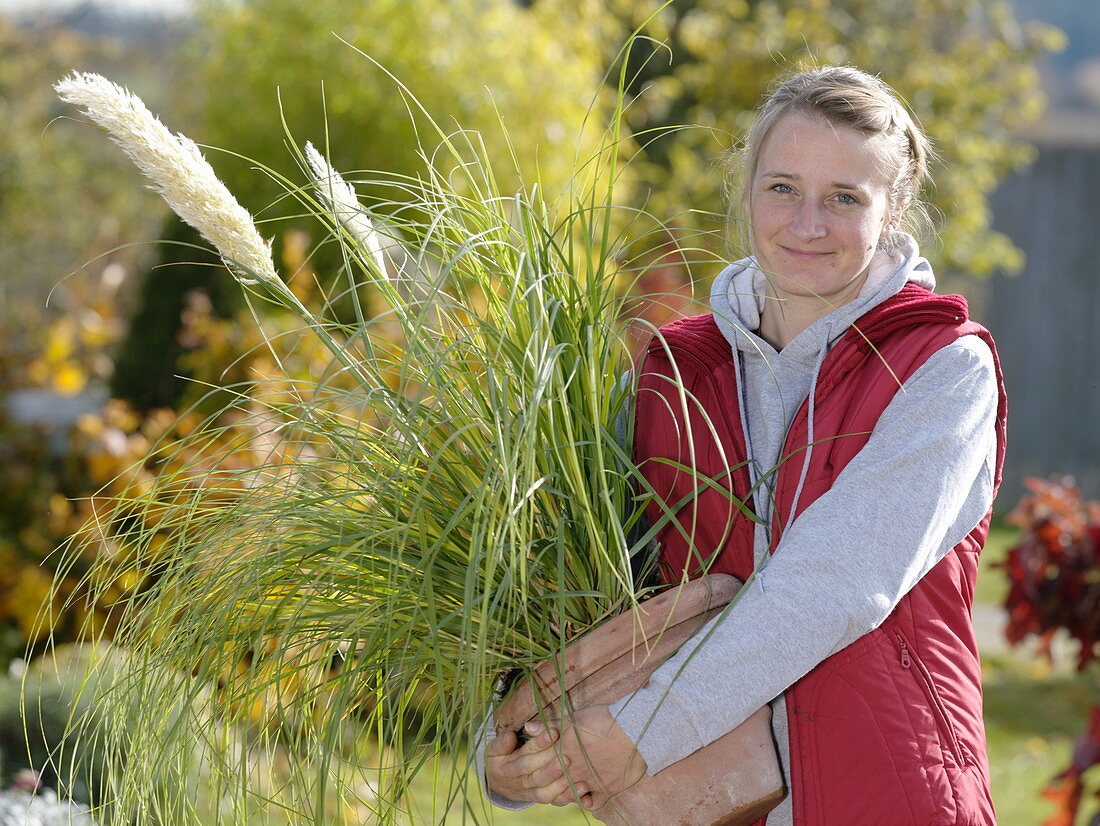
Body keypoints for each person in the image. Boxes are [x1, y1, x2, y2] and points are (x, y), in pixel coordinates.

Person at [482, 65, 1006, 826]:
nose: (806, 224)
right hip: (700, 802)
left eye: (844, 198)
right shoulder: (673, 368)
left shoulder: (943, 369)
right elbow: (574, 578)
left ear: (894, 211)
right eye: (783, 188)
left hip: (887, 795)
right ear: (748, 190)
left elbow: (834, 582)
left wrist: (637, 733)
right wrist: (508, 740)